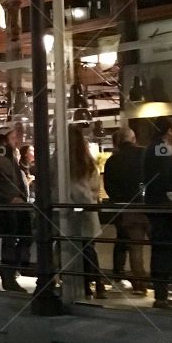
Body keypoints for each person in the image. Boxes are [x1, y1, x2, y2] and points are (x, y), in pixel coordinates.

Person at [142, 117, 172, 309]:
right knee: (164, 252)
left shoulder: (152, 149)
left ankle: (161, 295)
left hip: (156, 208)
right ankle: (161, 296)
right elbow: (166, 184)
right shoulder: (161, 150)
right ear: (169, 131)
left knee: (160, 251)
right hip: (163, 211)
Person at [0, 127, 30, 292]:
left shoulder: (10, 157)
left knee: (23, 237)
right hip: (5, 207)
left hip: (17, 205)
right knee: (10, 240)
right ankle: (8, 276)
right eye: (13, 137)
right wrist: (8, 199)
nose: (17, 140)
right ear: (3, 139)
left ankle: (9, 272)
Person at [103, 127, 148, 295]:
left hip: (124, 208)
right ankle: (162, 283)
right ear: (134, 138)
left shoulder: (112, 160)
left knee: (130, 246)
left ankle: (137, 283)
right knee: (157, 246)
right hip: (147, 205)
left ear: (118, 141)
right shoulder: (144, 154)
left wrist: (118, 200)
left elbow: (108, 187)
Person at [66, 124, 106, 299]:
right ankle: (98, 284)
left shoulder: (62, 160)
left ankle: (82, 284)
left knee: (74, 249)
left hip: (70, 209)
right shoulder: (88, 161)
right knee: (89, 249)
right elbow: (95, 187)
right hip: (88, 208)